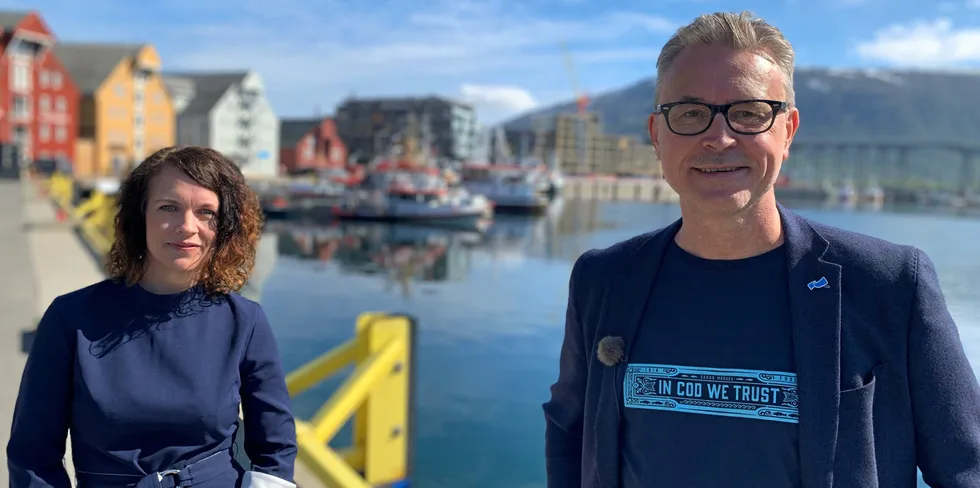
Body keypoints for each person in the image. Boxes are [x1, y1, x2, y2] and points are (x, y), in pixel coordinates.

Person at [542, 11, 980, 488]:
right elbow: (570, 426)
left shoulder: (890, 284)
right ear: (656, 135)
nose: (719, 137)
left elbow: (965, 468)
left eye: (749, 113)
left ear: (788, 131)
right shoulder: (603, 279)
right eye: (689, 113)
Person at [8, 146, 298, 487]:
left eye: (206, 212)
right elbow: (32, 455)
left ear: (224, 227)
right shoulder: (71, 318)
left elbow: (275, 448)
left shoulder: (245, 322)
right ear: (139, 216)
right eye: (168, 208)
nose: (188, 227)